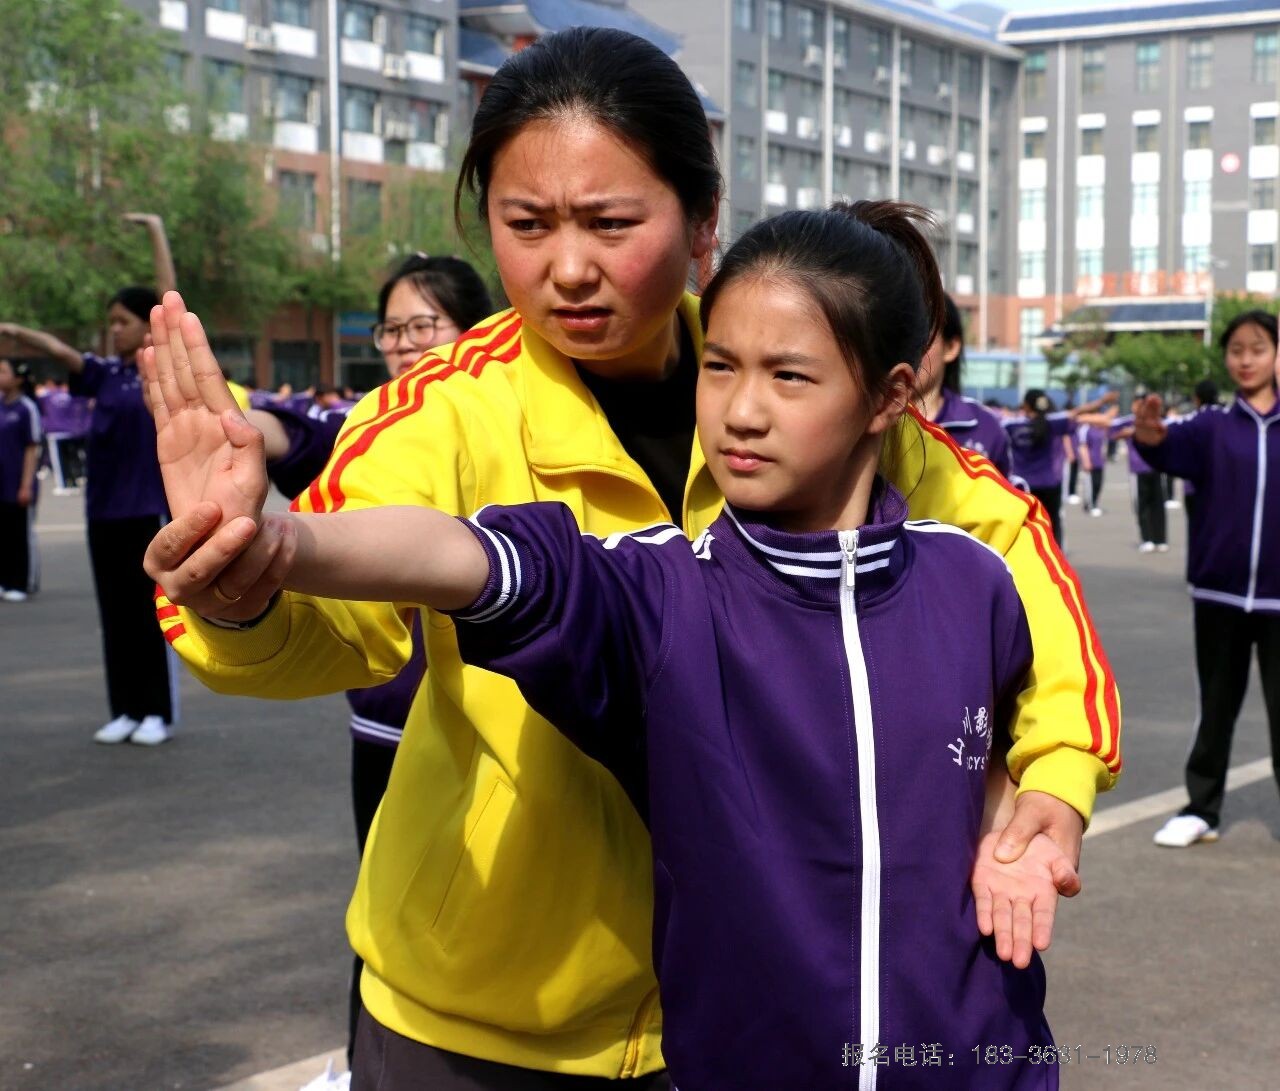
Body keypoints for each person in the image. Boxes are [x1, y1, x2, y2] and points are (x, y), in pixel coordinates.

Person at [142, 27, 1118, 1087]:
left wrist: (1052, 782)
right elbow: (349, 606)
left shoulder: (792, 381)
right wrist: (254, 567)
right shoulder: (443, 414)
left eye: (611, 222)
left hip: (743, 1011)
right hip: (480, 1022)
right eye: (525, 225)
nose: (567, 267)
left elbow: (1016, 568)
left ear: (701, 223)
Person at [245, 252, 493, 1077]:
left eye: (425, 324)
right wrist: (250, 427)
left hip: (482, 722)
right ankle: (363, 1060)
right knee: (383, 897)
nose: (404, 343)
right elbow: (301, 439)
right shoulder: (373, 426)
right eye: (394, 327)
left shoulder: (493, 421)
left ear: (474, 327)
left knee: (480, 906)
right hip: (384, 717)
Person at [0, 213, 178, 745]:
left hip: (145, 512)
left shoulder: (159, 365)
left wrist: (155, 230)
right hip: (102, 513)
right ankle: (123, 708)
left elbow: (171, 297)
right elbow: (58, 351)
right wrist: (11, 331)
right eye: (112, 322)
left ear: (147, 326)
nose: (114, 329)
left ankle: (156, 714)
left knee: (148, 617)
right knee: (115, 617)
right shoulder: (104, 373)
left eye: (122, 320)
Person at [1137, 310, 1280, 848]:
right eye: (1236, 349)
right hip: (1218, 593)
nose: (1245, 358)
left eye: (1258, 347)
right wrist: (1150, 439)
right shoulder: (1211, 426)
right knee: (1215, 707)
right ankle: (1202, 808)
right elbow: (1164, 448)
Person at [915, 293, 1011, 477]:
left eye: (920, 337)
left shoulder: (985, 426)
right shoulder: (872, 425)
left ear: (951, 347)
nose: (908, 350)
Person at [1004, 390, 1114, 544]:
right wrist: (1101, 402)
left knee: (1024, 527)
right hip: (1050, 483)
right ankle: (1054, 560)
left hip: (1022, 486)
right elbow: (1076, 413)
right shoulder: (1053, 422)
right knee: (1052, 523)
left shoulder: (1011, 425)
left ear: (1026, 406)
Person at [0, 358, 43, 600]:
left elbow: (31, 448)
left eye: (3, 371)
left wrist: (26, 485)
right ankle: (4, 580)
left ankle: (21, 581)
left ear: (17, 378)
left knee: (19, 534)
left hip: (17, 483)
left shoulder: (26, 408)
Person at [1109, 394, 1168, 554]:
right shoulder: (1128, 420)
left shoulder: (1156, 420)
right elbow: (1110, 430)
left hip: (1156, 467)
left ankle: (1160, 539)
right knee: (1142, 506)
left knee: (1158, 504)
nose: (1140, 408)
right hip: (1137, 469)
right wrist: (1123, 434)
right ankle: (1147, 539)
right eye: (1138, 404)